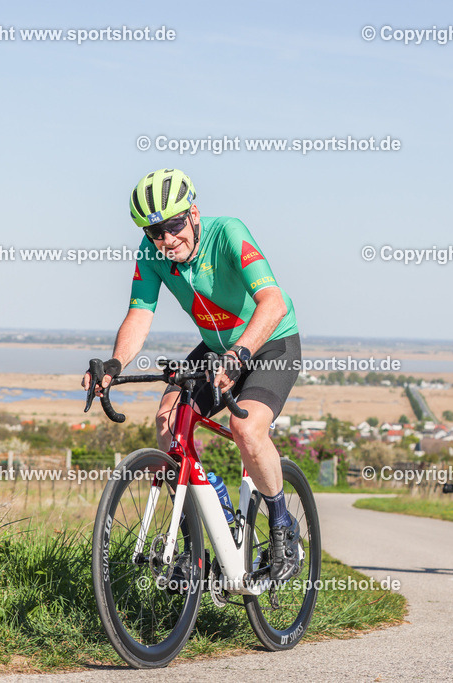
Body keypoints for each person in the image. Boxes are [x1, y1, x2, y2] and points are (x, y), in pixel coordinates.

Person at [81, 169, 303, 581]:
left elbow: (272, 303)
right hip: (218, 348)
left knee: (248, 429)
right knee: (168, 422)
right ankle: (200, 535)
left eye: (174, 225)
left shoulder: (228, 233)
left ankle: (281, 526)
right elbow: (139, 315)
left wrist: (240, 354)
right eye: (154, 232)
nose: (166, 239)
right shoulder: (153, 255)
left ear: (194, 214)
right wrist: (114, 365)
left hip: (271, 340)